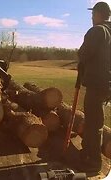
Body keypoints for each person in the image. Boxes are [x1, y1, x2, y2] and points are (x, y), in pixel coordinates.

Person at [76, 1, 111, 173]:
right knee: (93, 120)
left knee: (94, 123)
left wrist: (80, 55)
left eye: (93, 14)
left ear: (99, 14)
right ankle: (87, 152)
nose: (91, 17)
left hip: (97, 84)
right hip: (106, 85)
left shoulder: (97, 30)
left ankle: (94, 162)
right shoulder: (110, 32)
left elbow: (84, 53)